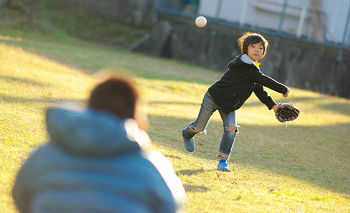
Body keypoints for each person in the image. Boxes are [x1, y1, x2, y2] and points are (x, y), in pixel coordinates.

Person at [12, 75, 187, 213]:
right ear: (137, 121)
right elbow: (172, 206)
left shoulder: (43, 156)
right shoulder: (154, 166)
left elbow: (21, 198)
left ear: (88, 108)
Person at [182, 32, 290, 172]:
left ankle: (223, 161)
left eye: (261, 48)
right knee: (199, 127)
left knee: (231, 129)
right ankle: (187, 134)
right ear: (246, 49)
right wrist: (283, 89)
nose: (257, 50)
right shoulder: (244, 65)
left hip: (229, 105)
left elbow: (260, 90)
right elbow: (263, 79)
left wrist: (274, 106)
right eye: (254, 47)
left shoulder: (253, 69)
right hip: (213, 98)